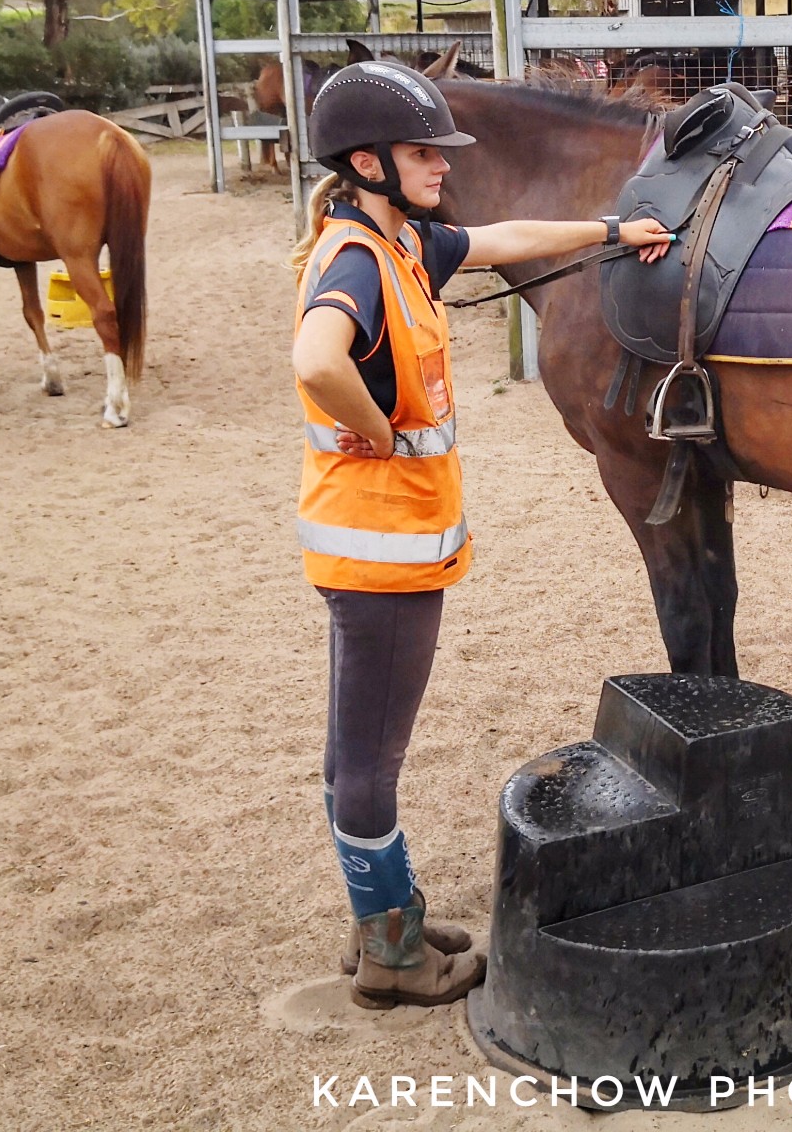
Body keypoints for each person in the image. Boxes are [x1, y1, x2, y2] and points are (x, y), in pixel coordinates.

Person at [289, 60, 672, 1008]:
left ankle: (389, 912)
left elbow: (508, 239)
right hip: (382, 550)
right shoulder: (355, 262)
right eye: (423, 153)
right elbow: (317, 357)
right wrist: (376, 431)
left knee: (358, 753)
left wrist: (614, 232)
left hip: (381, 543)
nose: (442, 167)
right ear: (367, 161)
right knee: (368, 760)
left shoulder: (402, 241)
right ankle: (391, 957)